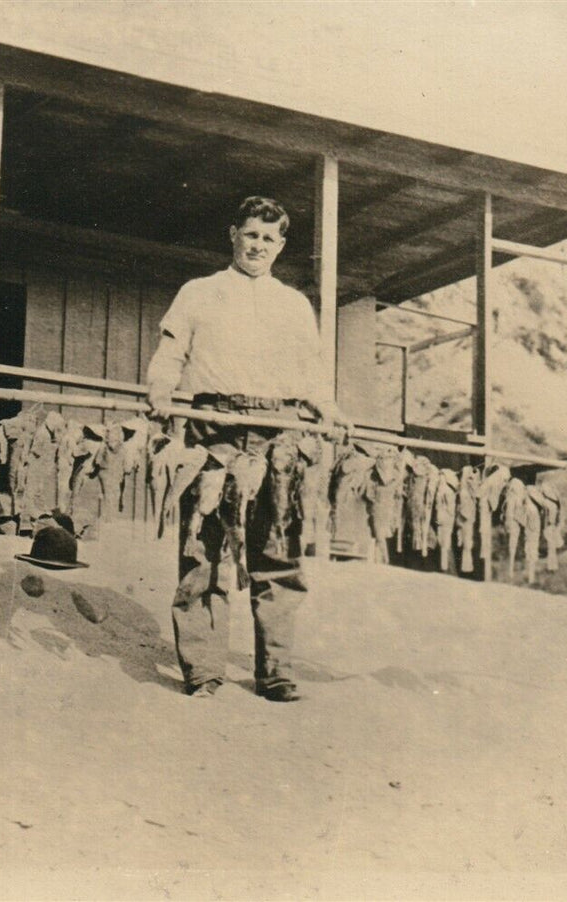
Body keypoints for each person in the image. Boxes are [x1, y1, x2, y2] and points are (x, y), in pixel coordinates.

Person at [143, 195, 345, 701]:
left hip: (278, 431)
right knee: (204, 547)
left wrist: (328, 409)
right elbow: (170, 354)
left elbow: (313, 377)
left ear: (280, 246)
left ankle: (275, 672)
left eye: (268, 239)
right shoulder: (199, 292)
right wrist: (160, 393)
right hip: (215, 426)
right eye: (250, 234)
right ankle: (204, 671)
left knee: (277, 549)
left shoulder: (294, 305)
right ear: (233, 234)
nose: (258, 246)